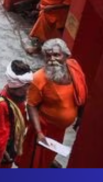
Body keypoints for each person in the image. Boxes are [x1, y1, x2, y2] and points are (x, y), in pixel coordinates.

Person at [16, 39, 87, 168]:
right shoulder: (39, 78)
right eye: (48, 56)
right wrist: (38, 132)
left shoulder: (74, 68)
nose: (52, 59)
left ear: (66, 55)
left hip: (60, 129)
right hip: (44, 128)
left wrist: (80, 117)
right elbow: (31, 105)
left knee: (49, 155)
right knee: (34, 161)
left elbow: (81, 92)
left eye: (56, 55)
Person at [0, 60, 33, 168]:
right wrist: (2, 152)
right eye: (27, 86)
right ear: (17, 86)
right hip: (3, 153)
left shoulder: (17, 97)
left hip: (11, 145)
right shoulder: (3, 105)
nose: (29, 88)